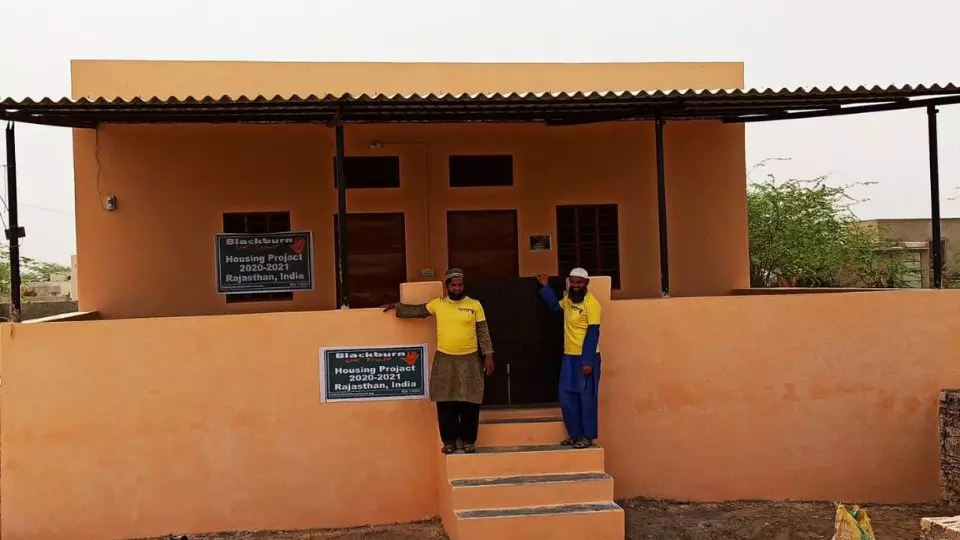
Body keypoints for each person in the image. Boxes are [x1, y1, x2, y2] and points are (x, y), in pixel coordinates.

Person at [383, 268, 495, 454]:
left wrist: (488, 355)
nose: (457, 288)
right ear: (447, 286)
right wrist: (397, 307)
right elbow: (419, 310)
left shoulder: (474, 305)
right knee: (445, 401)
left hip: (470, 359)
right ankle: (449, 442)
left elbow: (483, 331)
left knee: (470, 402)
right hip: (444, 359)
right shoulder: (438, 304)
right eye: (454, 285)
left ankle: (468, 441)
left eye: (460, 285)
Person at [536, 268, 602, 449]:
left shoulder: (592, 304)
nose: (575, 285)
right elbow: (555, 307)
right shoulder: (568, 300)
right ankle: (574, 435)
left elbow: (593, 333)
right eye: (573, 282)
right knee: (566, 397)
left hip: (586, 358)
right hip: (569, 358)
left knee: (586, 399)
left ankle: (587, 437)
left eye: (579, 282)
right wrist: (545, 287)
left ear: (586, 283)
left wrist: (587, 361)